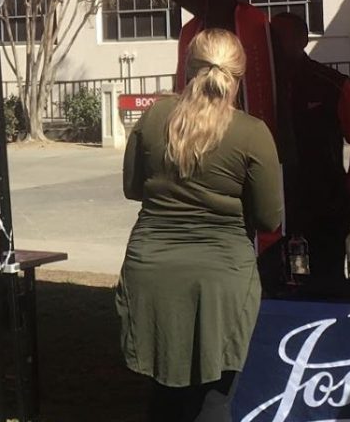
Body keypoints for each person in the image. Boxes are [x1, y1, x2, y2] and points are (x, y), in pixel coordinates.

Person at [118, 28, 282, 422]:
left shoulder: (155, 116)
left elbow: (132, 187)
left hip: (152, 270)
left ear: (187, 69)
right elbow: (269, 217)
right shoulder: (252, 132)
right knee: (214, 399)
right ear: (238, 76)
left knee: (163, 397)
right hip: (221, 277)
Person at [269, 12, 350, 283]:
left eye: (281, 36)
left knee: (326, 275)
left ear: (302, 39)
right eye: (270, 36)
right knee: (276, 276)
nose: (274, 42)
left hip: (324, 197)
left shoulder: (333, 84)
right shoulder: (257, 86)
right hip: (272, 198)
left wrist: (349, 186)